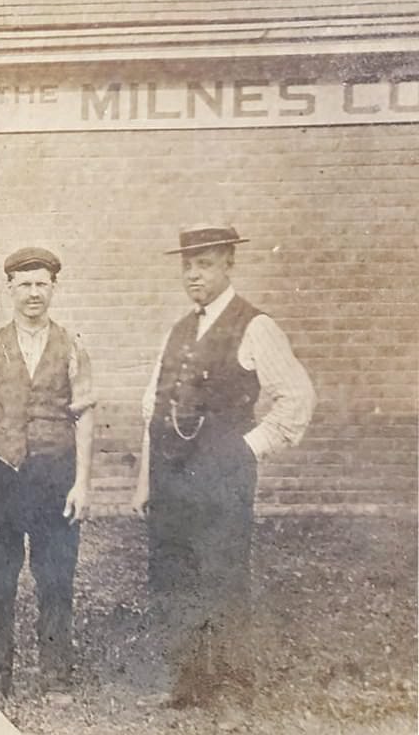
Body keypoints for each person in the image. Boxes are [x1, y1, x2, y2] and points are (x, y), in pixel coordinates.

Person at [131, 225, 315, 719]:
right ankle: (188, 682)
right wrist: (147, 479)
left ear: (229, 263)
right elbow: (154, 403)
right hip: (171, 479)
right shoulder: (178, 329)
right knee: (175, 576)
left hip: (221, 479)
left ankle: (233, 689)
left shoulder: (254, 325)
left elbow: (296, 399)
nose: (194, 274)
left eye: (206, 263)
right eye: (188, 265)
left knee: (222, 575)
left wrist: (245, 450)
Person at [0, 246, 95, 705]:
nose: (33, 293)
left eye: (42, 284)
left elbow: (85, 416)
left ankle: (56, 675)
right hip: (1, 475)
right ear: (10, 289)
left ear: (53, 287)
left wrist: (82, 482)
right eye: (25, 284)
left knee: (56, 578)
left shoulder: (72, 345)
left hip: (55, 476)